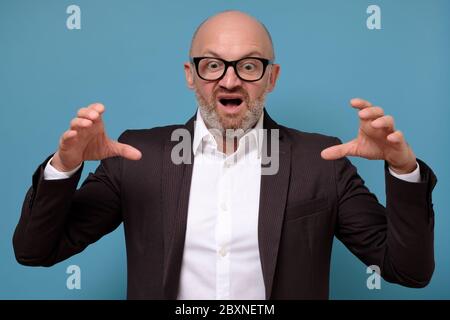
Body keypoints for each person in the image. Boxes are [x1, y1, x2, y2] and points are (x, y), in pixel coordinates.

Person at [13, 10, 437, 300]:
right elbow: (37, 250)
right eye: (213, 65)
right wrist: (65, 166)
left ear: (271, 78)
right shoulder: (137, 155)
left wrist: (401, 170)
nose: (230, 80)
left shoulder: (320, 162)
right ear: (190, 76)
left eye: (248, 66)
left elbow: (409, 271)